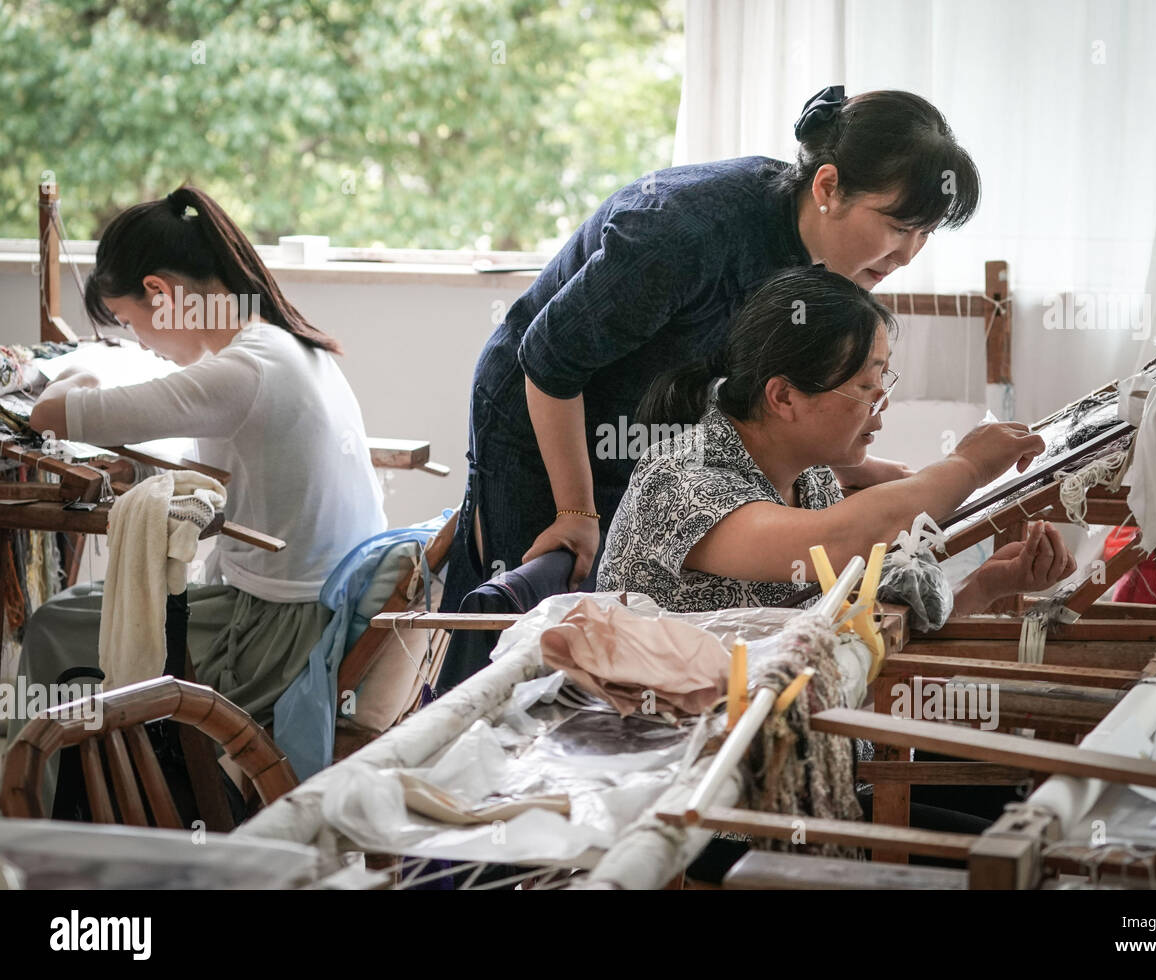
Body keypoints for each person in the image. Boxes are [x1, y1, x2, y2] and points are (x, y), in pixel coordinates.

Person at [439, 87, 981, 685]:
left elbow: (751, 395)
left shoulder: (818, 259)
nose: (908, 253)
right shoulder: (680, 232)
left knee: (617, 622)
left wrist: (848, 467)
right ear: (828, 187)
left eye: (925, 233)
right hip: (540, 411)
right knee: (530, 630)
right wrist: (575, 507)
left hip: (652, 426)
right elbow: (546, 361)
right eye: (899, 226)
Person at [19, 185, 386, 746]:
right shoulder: (286, 345)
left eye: (128, 320)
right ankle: (92, 797)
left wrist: (84, 370)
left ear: (159, 292)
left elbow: (52, 414)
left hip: (276, 635)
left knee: (55, 623)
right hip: (317, 613)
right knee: (82, 612)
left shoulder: (244, 371)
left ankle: (42, 813)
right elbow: (219, 469)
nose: (140, 341)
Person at [597, 265, 1077, 613]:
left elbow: (872, 636)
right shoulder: (681, 482)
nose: (881, 402)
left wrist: (989, 586)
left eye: (883, 380)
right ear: (784, 396)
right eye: (867, 385)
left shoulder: (811, 479)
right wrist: (967, 466)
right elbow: (836, 540)